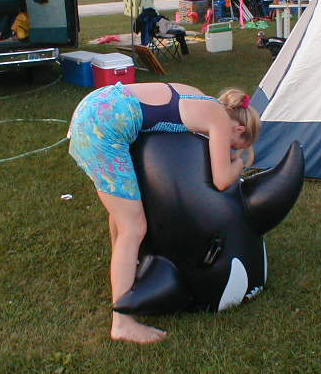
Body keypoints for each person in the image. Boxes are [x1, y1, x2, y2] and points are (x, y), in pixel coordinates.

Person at [67, 82, 262, 344]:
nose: (230, 150)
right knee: (133, 227)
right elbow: (222, 179)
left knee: (123, 208)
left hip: (95, 106)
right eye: (235, 145)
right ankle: (122, 323)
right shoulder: (219, 120)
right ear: (238, 130)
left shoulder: (200, 96)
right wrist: (239, 163)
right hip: (103, 127)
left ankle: (124, 269)